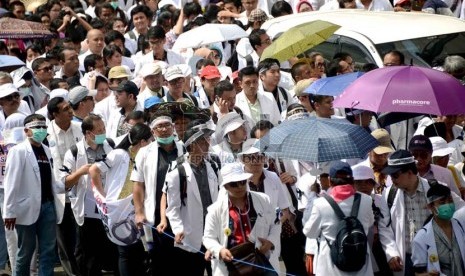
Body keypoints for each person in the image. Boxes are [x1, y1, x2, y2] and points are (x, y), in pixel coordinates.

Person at [379, 150, 465, 275]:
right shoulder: (388, 195)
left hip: (435, 255)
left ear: (409, 172)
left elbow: (461, 210)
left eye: (395, 175)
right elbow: (384, 227)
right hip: (405, 259)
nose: (391, 179)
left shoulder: (436, 188)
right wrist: (391, 253)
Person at [3, 114, 65, 276]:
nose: (41, 130)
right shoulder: (18, 151)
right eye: (37, 127)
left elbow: (52, 180)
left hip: (48, 206)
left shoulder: (46, 150)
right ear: (26, 131)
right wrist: (9, 212)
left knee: (48, 251)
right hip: (25, 209)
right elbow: (11, 183)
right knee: (25, 252)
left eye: (44, 127)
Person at [89, 123, 153, 276]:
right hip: (118, 210)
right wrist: (103, 195)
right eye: (150, 140)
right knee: (125, 251)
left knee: (139, 251)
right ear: (142, 142)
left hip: (135, 207)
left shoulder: (144, 157)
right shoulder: (119, 154)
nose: (151, 144)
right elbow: (93, 170)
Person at [59, 114, 117, 276]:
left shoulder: (111, 145)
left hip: (109, 208)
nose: (103, 133)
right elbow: (64, 183)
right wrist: (80, 172)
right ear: (88, 133)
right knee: (88, 255)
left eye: (104, 129)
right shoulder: (74, 152)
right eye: (99, 130)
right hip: (88, 211)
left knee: (111, 251)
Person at [202, 162, 281, 276]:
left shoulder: (263, 199)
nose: (239, 187)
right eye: (234, 184)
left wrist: (270, 241)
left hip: (261, 261)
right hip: (233, 264)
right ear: (225, 186)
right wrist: (220, 250)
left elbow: (276, 223)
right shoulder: (215, 210)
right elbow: (208, 238)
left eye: (242, 182)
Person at [131, 113, 185, 275]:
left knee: (183, 260)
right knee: (160, 261)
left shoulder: (184, 148)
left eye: (167, 125)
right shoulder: (145, 153)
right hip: (156, 214)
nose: (164, 129)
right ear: (153, 131)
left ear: (173, 128)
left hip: (183, 212)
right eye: (159, 127)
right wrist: (139, 212)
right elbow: (138, 185)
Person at [165, 120, 220, 275]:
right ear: (192, 145)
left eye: (208, 139)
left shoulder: (214, 167)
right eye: (202, 141)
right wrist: (178, 229)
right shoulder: (177, 174)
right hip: (190, 236)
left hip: (214, 233)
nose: (207, 144)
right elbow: (173, 208)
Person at [303, 161, 375, 275]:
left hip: (331, 268)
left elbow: (310, 232)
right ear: (352, 180)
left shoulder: (320, 204)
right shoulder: (366, 200)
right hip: (361, 266)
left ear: (330, 181)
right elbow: (370, 222)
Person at [412, 184, 465, 275]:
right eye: (442, 202)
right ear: (431, 207)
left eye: (450, 201)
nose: (448, 205)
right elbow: (418, 273)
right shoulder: (421, 238)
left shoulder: (460, 226)